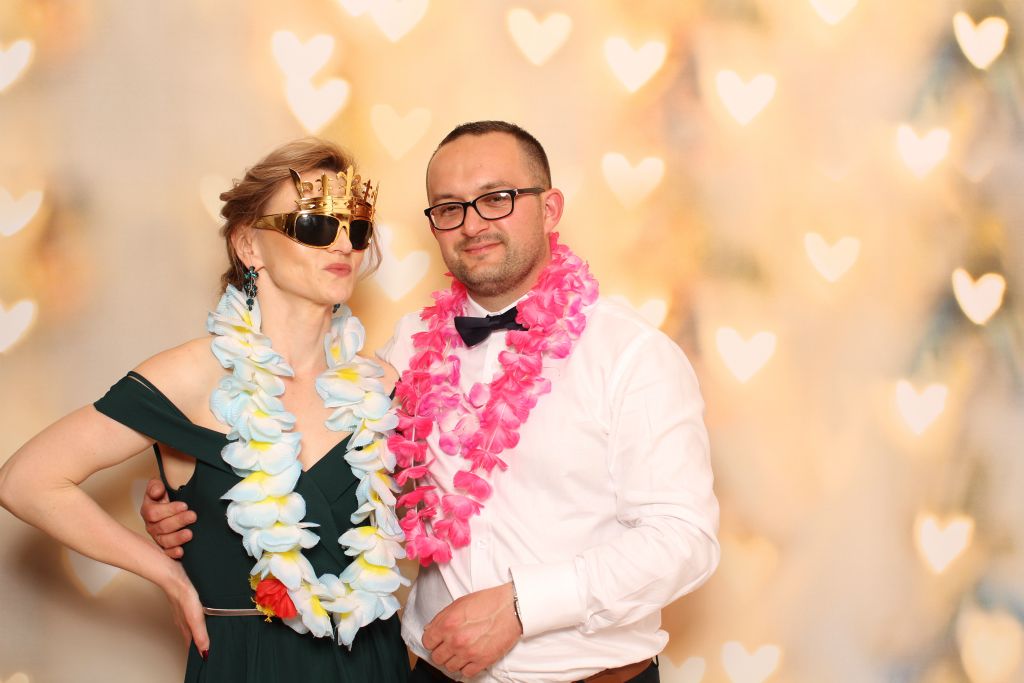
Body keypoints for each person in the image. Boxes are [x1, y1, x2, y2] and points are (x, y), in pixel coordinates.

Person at [143, 121, 720, 682]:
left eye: (497, 198)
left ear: (549, 209)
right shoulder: (406, 346)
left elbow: (684, 540)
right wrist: (201, 501)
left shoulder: (631, 355)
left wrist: (524, 605)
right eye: (449, 207)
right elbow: (345, 479)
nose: (473, 224)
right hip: (431, 674)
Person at [0, 138, 411, 682]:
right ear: (249, 245)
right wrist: (166, 574)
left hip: (373, 663)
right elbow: (26, 481)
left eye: (356, 229)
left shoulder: (383, 386)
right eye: (314, 224)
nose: (342, 244)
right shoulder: (191, 377)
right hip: (247, 666)